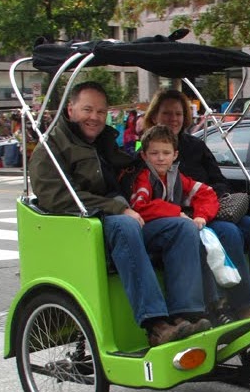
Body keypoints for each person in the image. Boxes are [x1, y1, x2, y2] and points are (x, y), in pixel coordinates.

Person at [29, 81, 207, 346]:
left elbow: (131, 166)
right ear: (70, 109)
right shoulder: (52, 148)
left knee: (182, 227)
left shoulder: (105, 142)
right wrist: (118, 208)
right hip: (89, 224)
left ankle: (185, 316)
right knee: (126, 225)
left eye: (101, 112)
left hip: (126, 216)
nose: (95, 117)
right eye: (87, 109)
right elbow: (56, 196)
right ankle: (155, 324)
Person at [142, 89, 250, 320]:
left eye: (178, 113)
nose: (173, 119)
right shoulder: (148, 150)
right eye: (167, 113)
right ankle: (242, 305)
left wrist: (216, 196)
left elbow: (218, 179)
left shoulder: (195, 146)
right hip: (187, 219)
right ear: (154, 117)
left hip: (214, 208)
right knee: (229, 233)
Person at [126, 125, 218, 333]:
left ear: (175, 155)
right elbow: (139, 207)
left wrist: (202, 216)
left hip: (168, 231)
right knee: (185, 227)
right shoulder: (143, 178)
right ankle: (185, 310)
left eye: (166, 153)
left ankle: (213, 304)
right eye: (154, 153)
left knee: (202, 233)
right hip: (144, 231)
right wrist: (176, 212)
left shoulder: (175, 176)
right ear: (144, 155)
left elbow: (206, 193)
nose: (160, 158)